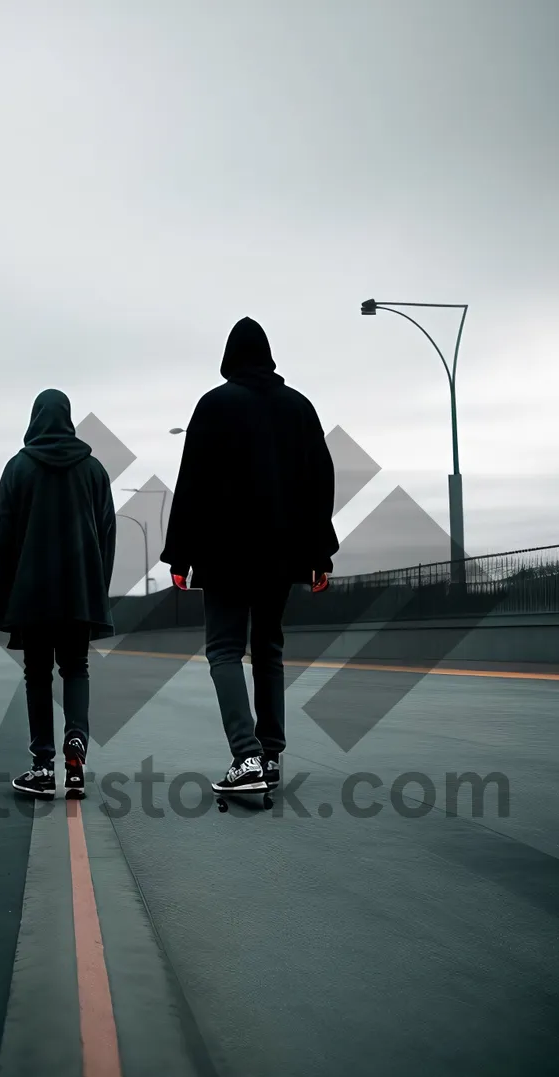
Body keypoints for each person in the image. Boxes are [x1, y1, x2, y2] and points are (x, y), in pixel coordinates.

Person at [162, 317, 338, 795]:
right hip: (281, 554)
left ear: (229, 359)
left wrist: (179, 556)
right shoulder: (299, 408)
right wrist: (319, 552)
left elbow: (192, 483)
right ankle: (272, 754)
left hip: (224, 553)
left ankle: (247, 757)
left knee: (223, 648)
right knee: (268, 649)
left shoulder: (214, 406)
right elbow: (321, 484)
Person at [0, 388, 116, 799]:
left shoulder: (18, 469)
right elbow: (107, 534)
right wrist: (97, 586)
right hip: (79, 594)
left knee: (37, 675)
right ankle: (77, 747)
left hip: (31, 596)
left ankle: (42, 765)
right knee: (76, 669)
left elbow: (1, 538)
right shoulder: (93, 470)